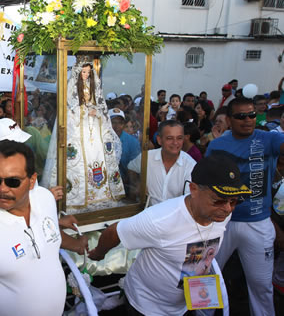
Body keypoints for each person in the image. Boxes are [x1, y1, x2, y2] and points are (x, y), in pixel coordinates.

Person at [89, 155, 251, 315]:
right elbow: (114, 232)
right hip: (147, 306)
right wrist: (98, 253)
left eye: (234, 201)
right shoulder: (160, 219)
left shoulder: (222, 215)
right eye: (219, 200)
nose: (228, 209)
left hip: (185, 303)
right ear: (193, 189)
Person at [0, 141, 87, 316]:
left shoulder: (45, 199)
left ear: (32, 181)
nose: (2, 189)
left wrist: (75, 243)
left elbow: (46, 234)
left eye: (13, 181)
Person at [206, 97, 284, 316]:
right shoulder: (217, 145)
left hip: (258, 223)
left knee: (261, 285)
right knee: (207, 277)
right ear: (230, 120)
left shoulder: (268, 139)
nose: (248, 120)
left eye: (251, 115)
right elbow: (206, 181)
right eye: (241, 116)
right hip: (221, 222)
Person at [41, 59, 125, 213]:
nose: (86, 75)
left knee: (96, 157)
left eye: (88, 72)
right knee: (77, 161)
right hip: (79, 130)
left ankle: (99, 196)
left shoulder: (94, 88)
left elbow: (101, 107)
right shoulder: (72, 87)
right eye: (83, 72)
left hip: (93, 129)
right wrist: (86, 112)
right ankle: (76, 197)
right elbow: (70, 110)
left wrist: (96, 112)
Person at [128, 120, 197, 205]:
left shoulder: (190, 165)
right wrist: (138, 183)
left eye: (179, 138)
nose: (175, 142)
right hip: (148, 213)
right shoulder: (147, 157)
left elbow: (190, 200)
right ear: (159, 140)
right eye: (169, 138)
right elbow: (131, 168)